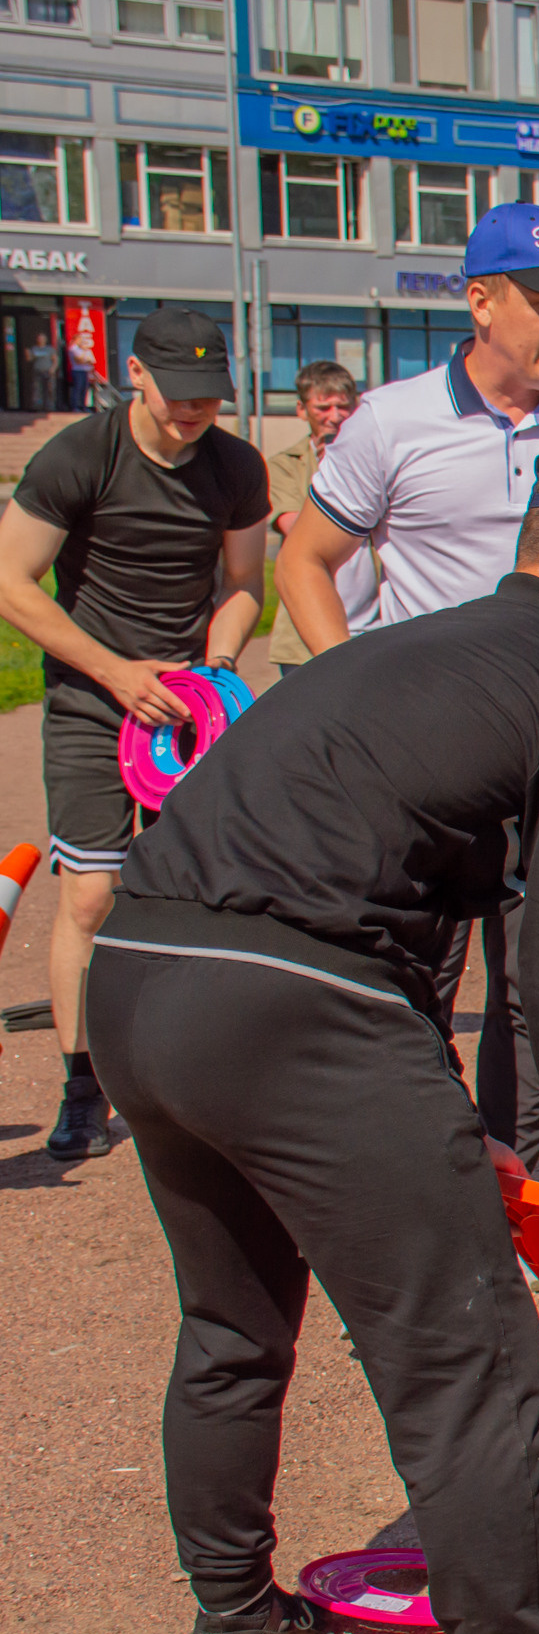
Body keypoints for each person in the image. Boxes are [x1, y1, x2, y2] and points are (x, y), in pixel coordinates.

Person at [88, 440, 539, 1634]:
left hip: (140, 973)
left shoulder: (390, 653)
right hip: (296, 1008)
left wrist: (436, 1114)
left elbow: (373, 880)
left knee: (230, 1328)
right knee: (464, 1366)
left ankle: (235, 1617)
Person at [274, 201, 539, 1169]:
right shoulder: (393, 421)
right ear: (481, 301)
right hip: (423, 762)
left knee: (538, 988)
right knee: (405, 988)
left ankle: (509, 1193)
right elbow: (306, 563)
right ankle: (413, 1186)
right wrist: (351, 691)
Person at [0, 307, 267, 1161]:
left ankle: (191, 1075)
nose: (194, 411)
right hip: (93, 701)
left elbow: (244, 585)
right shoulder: (82, 454)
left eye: (210, 397)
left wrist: (215, 668)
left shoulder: (236, 466)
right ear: (136, 376)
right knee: (88, 895)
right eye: (179, 394)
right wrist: (116, 673)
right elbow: (10, 582)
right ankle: (83, 1087)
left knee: (198, 894)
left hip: (190, 710)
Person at [264, 360, 374, 679]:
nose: (335, 416)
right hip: (305, 634)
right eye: (323, 407)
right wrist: (329, 473)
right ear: (301, 410)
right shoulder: (284, 465)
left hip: (375, 625)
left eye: (343, 406)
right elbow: (297, 529)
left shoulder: (376, 458)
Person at [25, 330, 59, 414]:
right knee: (37, 389)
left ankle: (50, 406)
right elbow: (29, 359)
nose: (41, 340)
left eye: (42, 338)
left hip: (48, 371)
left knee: (50, 389)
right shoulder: (34, 349)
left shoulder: (49, 349)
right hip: (37, 371)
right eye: (39, 338)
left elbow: (55, 360)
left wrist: (53, 368)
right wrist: (27, 354)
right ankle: (37, 406)